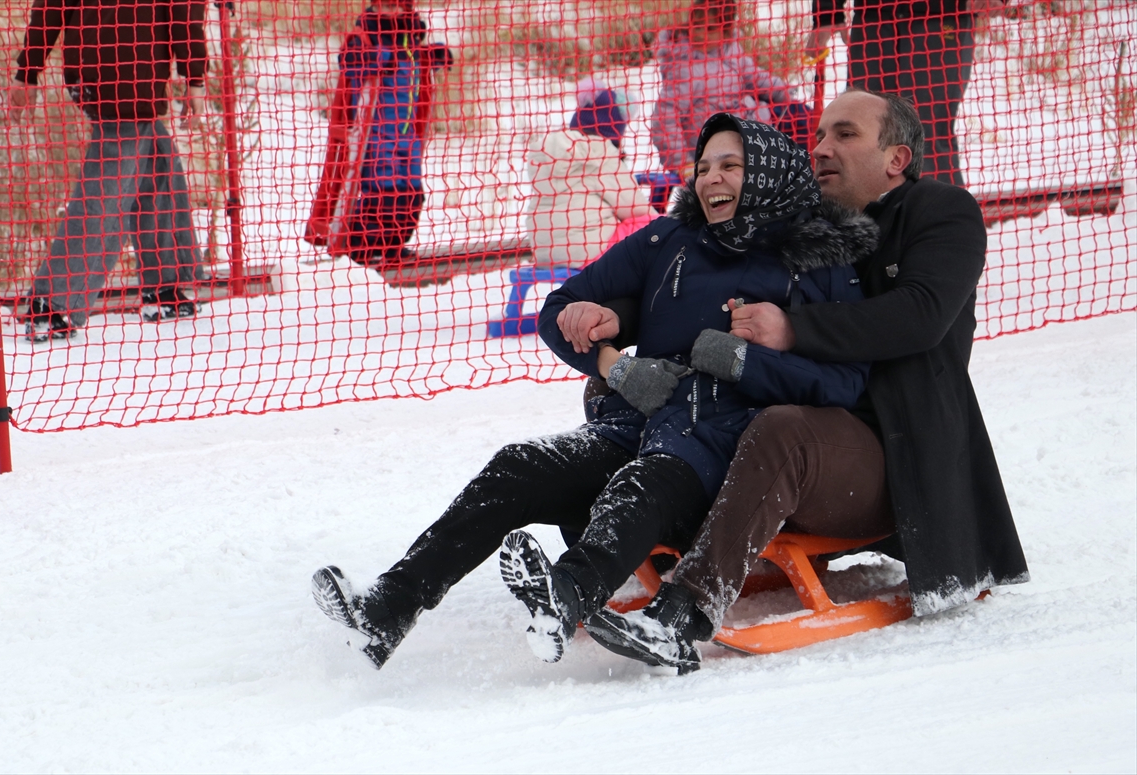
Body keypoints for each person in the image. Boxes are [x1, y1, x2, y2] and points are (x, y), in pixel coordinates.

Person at [311, 114, 881, 670]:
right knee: (521, 464)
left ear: (767, 175)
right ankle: (388, 606)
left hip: (729, 449)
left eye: (731, 165)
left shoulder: (819, 259)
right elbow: (558, 308)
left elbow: (847, 381)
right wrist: (615, 366)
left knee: (642, 483)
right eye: (704, 166)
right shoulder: (669, 238)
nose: (711, 179)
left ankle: (566, 597)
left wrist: (746, 362)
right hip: (643, 423)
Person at [568, 89, 1029, 674]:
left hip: (886, 446)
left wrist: (793, 329)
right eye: (818, 137)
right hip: (781, 406)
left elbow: (921, 314)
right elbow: (716, 283)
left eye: (845, 134)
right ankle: (624, 550)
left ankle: (682, 614)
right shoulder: (801, 214)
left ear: (897, 159)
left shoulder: (941, 211)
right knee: (620, 390)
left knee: (782, 429)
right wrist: (624, 322)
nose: (822, 148)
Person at [10, 0, 209, 343]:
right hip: (134, 73)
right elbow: (183, 9)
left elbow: (51, 5)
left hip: (89, 70)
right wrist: (194, 76)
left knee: (155, 161)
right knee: (108, 188)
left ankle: (166, 287)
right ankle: (53, 302)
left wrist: (29, 69)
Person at [304, 0, 452, 269]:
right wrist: (377, 60)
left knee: (413, 193)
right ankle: (358, 250)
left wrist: (434, 54)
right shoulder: (365, 36)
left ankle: (394, 246)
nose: (392, 12)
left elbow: (416, 63)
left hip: (408, 133)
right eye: (386, 6)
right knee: (382, 193)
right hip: (376, 133)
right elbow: (349, 62)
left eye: (398, 7)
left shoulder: (410, 39)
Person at [806, 0, 1005, 186]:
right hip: (875, 18)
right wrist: (827, 13)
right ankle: (861, 216)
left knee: (928, 132)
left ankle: (939, 219)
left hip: (942, 16)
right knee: (862, 127)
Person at [650, 0, 809, 184]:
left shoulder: (730, 53)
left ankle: (805, 178)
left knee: (800, 115)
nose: (700, 33)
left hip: (749, 127)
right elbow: (665, 117)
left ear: (725, 31)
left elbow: (756, 77)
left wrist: (783, 92)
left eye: (710, 28)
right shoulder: (686, 67)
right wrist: (682, 163)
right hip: (717, 142)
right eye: (696, 25)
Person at [526, 78, 655, 269]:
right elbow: (635, 207)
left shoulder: (549, 152)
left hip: (544, 253)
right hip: (588, 252)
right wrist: (664, 224)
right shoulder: (600, 153)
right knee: (652, 228)